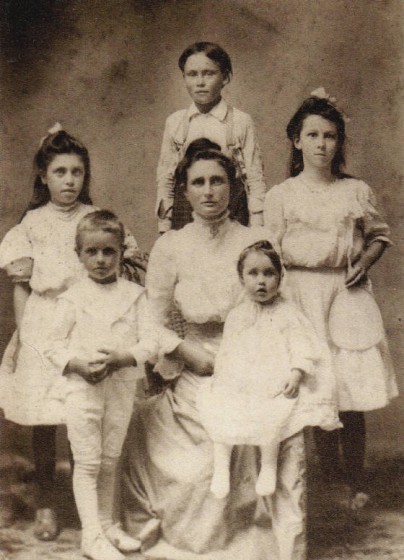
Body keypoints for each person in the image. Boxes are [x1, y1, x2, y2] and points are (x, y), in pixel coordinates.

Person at [122, 144, 305, 559]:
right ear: (185, 192)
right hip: (197, 362)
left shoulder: (257, 239)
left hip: (255, 360)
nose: (209, 192)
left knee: (261, 428)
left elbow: (284, 310)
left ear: (234, 187)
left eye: (218, 181)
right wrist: (186, 352)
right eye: (198, 182)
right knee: (182, 445)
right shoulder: (171, 246)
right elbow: (150, 319)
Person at [0, 125, 138, 541]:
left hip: (87, 323)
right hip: (43, 327)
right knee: (45, 422)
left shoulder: (93, 221)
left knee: (88, 420)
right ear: (43, 175)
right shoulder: (31, 225)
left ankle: (91, 508)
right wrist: (26, 338)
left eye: (77, 172)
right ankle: (46, 505)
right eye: (60, 172)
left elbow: (122, 266)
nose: (69, 181)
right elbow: (21, 287)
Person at [263, 89, 398, 510]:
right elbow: (269, 251)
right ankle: (328, 480)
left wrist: (365, 262)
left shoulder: (354, 190)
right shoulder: (281, 195)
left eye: (331, 136)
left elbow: (380, 235)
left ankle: (356, 480)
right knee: (314, 387)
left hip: (345, 291)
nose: (322, 144)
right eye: (314, 135)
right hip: (298, 292)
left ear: (339, 143)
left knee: (349, 390)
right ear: (296, 140)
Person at [46, 211, 157, 560]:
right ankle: (91, 536)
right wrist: (76, 364)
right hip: (83, 389)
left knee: (111, 458)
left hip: (121, 385)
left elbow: (151, 343)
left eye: (108, 251)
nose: (100, 260)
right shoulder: (72, 298)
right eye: (91, 252)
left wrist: (123, 358)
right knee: (88, 461)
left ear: (121, 253)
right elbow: (51, 345)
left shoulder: (135, 296)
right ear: (79, 254)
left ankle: (108, 525)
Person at [198, 240, 340, 505]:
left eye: (268, 273)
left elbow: (302, 345)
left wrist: (297, 373)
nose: (261, 281)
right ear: (241, 279)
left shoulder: (288, 313)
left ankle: (269, 466)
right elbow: (228, 351)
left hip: (272, 378)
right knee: (219, 408)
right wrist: (225, 378)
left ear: (280, 277)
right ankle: (221, 468)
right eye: (252, 274)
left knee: (273, 414)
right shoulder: (238, 315)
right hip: (240, 379)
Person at [156, 41, 266, 233]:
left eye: (208, 73)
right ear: (184, 78)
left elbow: (254, 177)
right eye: (192, 74)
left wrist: (257, 226)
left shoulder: (240, 121)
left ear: (225, 77)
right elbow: (166, 177)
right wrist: (165, 225)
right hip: (186, 210)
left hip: (231, 207)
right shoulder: (176, 122)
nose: (200, 82)